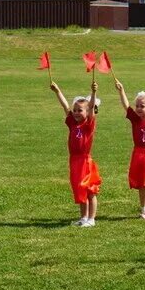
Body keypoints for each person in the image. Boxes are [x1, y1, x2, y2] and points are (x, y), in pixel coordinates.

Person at [51, 78, 102, 227]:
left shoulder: (88, 125)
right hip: (74, 161)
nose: (76, 113)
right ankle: (83, 217)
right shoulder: (73, 122)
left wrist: (93, 92)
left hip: (85, 161)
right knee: (79, 189)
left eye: (80, 110)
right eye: (75, 110)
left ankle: (91, 219)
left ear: (87, 112)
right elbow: (65, 106)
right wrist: (57, 91)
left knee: (89, 190)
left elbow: (91, 107)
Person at [114, 76, 145, 220]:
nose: (139, 109)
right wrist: (121, 90)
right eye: (138, 106)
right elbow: (126, 106)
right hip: (138, 153)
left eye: (142, 106)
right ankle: (144, 209)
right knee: (142, 184)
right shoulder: (135, 119)